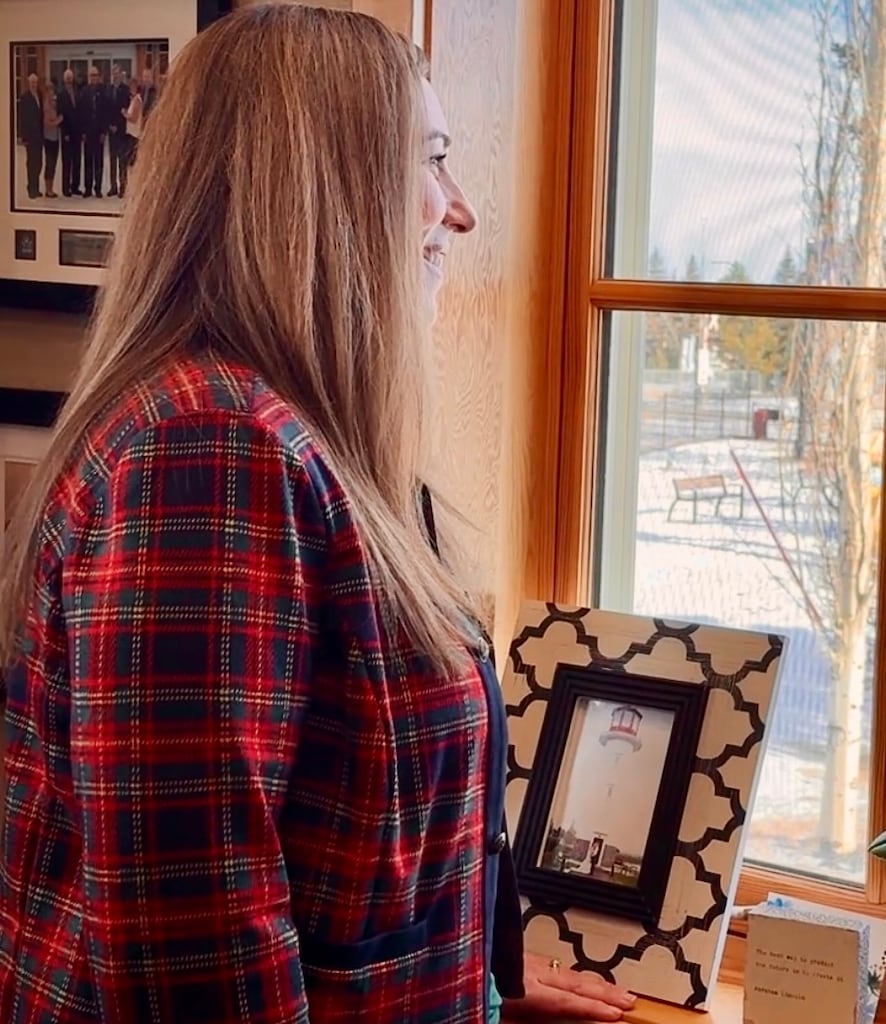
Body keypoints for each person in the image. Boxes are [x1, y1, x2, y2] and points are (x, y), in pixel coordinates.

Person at [0, 8, 635, 1024]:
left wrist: (475, 989)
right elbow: (195, 968)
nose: (459, 210)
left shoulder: (294, 436)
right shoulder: (205, 449)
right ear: (321, 189)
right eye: (430, 159)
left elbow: (333, 871)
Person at [82, 64, 110, 198]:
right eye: (91, 75)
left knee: (98, 162)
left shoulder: (103, 92)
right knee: (88, 161)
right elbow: (81, 113)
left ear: (99, 77)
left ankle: (97, 188)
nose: (94, 78)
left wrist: (104, 132)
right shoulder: (85, 91)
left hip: (99, 133)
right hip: (88, 133)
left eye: (96, 75)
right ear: (89, 77)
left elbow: (106, 114)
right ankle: (87, 188)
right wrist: (83, 133)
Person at [56, 67, 82, 197]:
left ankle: (75, 187)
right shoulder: (60, 95)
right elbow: (60, 115)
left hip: (77, 133)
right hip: (67, 134)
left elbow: (80, 112)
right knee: (67, 162)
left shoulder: (77, 92)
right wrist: (64, 133)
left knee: (77, 161)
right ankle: (65, 188)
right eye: (67, 78)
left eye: (70, 78)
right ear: (64, 79)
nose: (69, 80)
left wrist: (82, 132)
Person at [16, 72, 43, 200]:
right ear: (29, 83)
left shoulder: (40, 95)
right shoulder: (25, 97)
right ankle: (31, 188)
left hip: (39, 136)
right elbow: (21, 118)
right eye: (32, 82)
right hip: (30, 136)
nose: (34, 84)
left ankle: (36, 188)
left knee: (38, 163)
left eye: (35, 82)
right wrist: (22, 136)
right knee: (31, 163)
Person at [106, 64, 130, 196]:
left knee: (122, 161)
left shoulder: (126, 90)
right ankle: (113, 187)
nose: (115, 75)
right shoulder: (108, 90)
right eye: (113, 73)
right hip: (111, 130)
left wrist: (118, 126)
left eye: (117, 72)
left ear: (121, 74)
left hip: (121, 131)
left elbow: (126, 110)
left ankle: (123, 187)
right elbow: (106, 110)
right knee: (112, 160)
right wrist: (109, 125)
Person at [41, 78, 62, 197]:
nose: (51, 93)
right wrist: (58, 121)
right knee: (49, 163)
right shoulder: (46, 106)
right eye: (49, 90)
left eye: (52, 90)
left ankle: (51, 188)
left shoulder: (54, 104)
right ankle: (47, 189)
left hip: (55, 137)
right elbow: (46, 123)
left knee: (53, 163)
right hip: (48, 138)